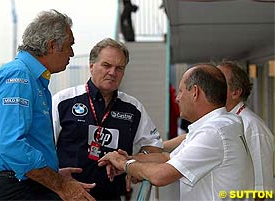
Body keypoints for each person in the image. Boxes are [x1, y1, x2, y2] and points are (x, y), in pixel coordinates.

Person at [0, 9, 96, 201]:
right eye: (69, 46)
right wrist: (60, 185)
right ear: (52, 45)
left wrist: (53, 173)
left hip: (25, 186)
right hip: (16, 189)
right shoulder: (19, 76)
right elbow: (11, 145)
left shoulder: (30, 79)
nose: (72, 53)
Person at [99, 63, 254, 200]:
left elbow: (161, 175)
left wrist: (125, 164)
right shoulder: (219, 124)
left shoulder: (214, 132)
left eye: (180, 91)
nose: (178, 98)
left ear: (195, 92)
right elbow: (168, 157)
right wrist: (130, 159)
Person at [52, 38, 163, 200]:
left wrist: (135, 164)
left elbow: (154, 146)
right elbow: (42, 148)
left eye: (119, 68)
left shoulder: (133, 108)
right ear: (91, 66)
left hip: (112, 196)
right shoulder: (64, 101)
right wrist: (57, 181)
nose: (112, 72)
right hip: (68, 196)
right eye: (106, 65)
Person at [217, 61, 274, 193]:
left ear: (235, 92)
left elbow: (262, 188)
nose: (211, 86)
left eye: (219, 82)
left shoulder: (254, 127)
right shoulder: (220, 121)